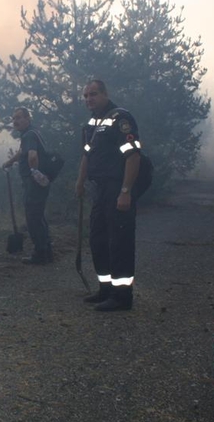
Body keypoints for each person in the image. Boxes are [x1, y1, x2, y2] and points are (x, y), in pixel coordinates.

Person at [76, 80, 142, 311]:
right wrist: (80, 182)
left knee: (120, 242)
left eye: (93, 94)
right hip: (99, 190)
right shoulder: (92, 124)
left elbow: (133, 156)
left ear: (105, 94)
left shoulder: (120, 119)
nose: (88, 99)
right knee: (98, 240)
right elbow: (87, 155)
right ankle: (105, 289)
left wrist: (125, 191)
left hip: (117, 187)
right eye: (85, 96)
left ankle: (122, 296)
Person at [1, 107, 53, 265]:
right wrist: (8, 163)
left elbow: (32, 155)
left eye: (19, 118)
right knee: (38, 216)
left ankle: (40, 254)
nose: (15, 121)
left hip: (34, 183)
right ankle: (46, 251)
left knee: (33, 218)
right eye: (14, 118)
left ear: (27, 119)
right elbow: (21, 152)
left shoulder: (29, 135)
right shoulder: (31, 133)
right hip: (37, 182)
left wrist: (34, 173)